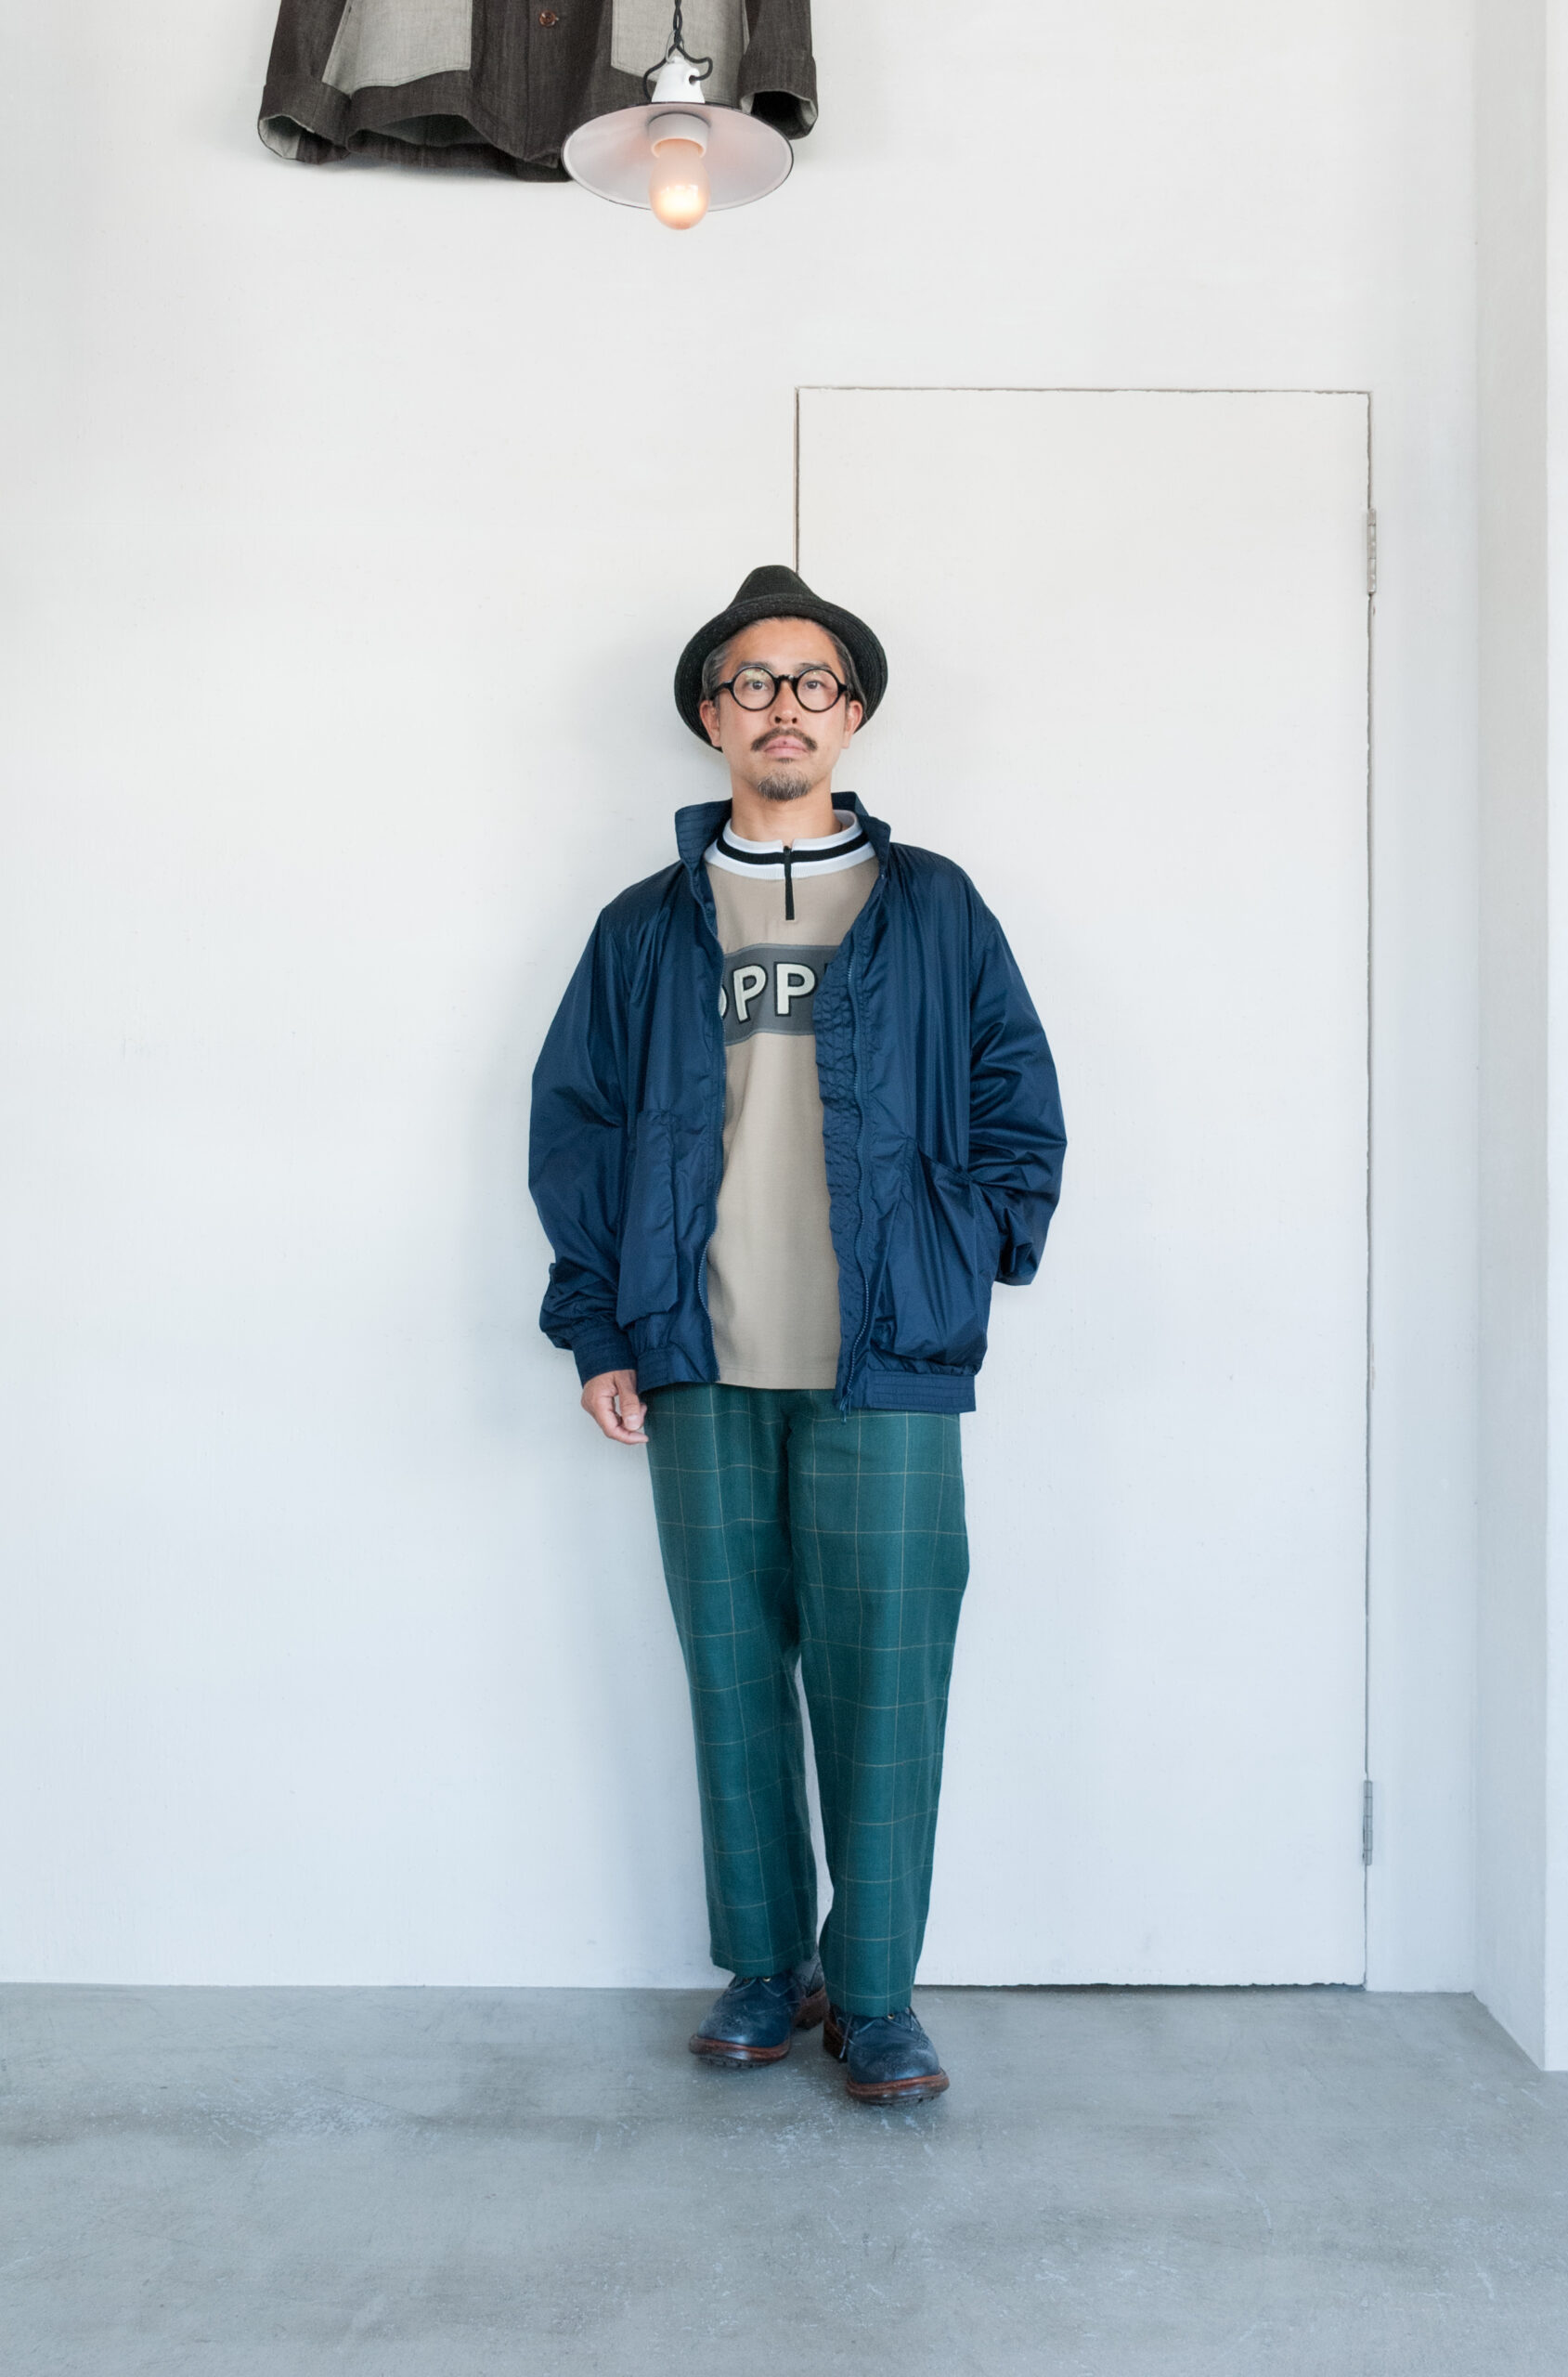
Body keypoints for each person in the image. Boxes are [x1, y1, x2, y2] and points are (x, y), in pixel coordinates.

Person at [529, 565, 1065, 2105]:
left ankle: (876, 1994)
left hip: (884, 1360)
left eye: (810, 681)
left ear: (853, 712)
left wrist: (964, 1257)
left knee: (886, 1679)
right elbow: (577, 1128)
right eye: (751, 682)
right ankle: (767, 1970)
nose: (782, 706)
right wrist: (599, 1326)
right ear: (711, 716)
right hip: (694, 1355)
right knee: (730, 1677)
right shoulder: (644, 927)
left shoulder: (933, 906)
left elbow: (1018, 1102)